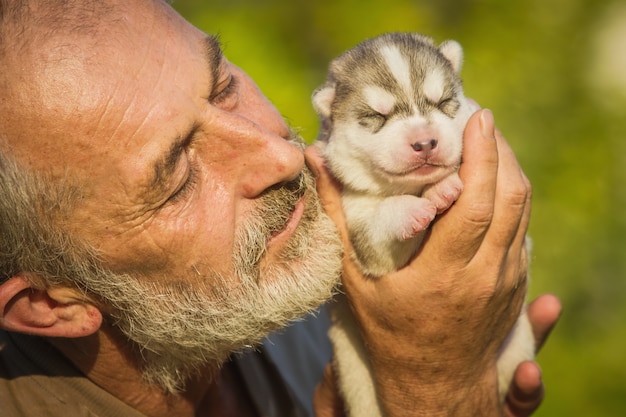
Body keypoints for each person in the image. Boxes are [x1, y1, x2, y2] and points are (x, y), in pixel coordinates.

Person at [0, 0, 560, 416]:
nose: (281, 157)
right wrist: (437, 390)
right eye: (177, 178)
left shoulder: (285, 284)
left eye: (223, 88)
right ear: (50, 303)